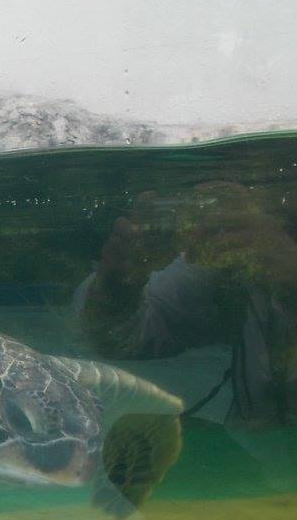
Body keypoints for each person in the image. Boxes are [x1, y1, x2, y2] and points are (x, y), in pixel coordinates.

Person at [75, 182, 297, 426]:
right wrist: (120, 281)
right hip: (261, 441)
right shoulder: (249, 248)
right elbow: (117, 338)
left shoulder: (270, 245)